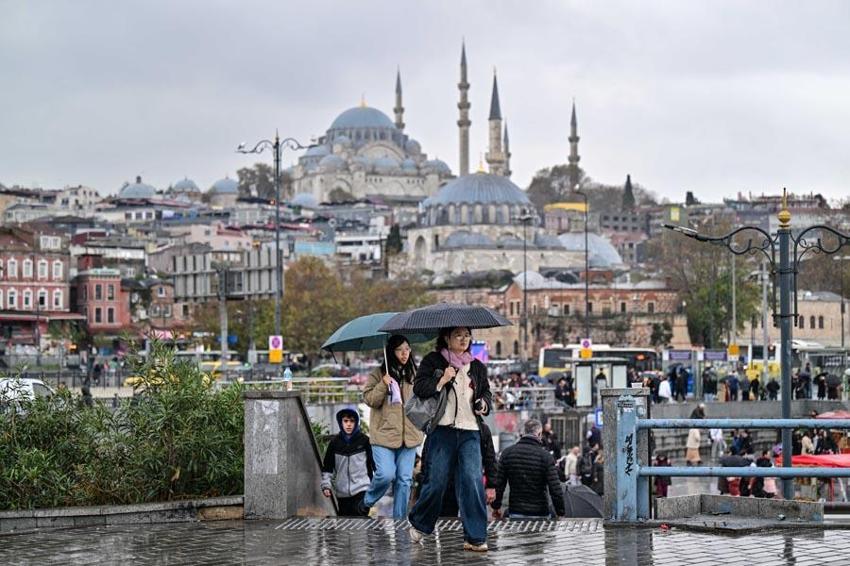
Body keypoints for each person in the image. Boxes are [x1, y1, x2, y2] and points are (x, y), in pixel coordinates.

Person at [408, 327, 492, 552]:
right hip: (442, 430)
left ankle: (475, 537)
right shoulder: (433, 361)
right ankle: (420, 522)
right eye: (458, 335)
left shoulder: (477, 366)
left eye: (467, 335)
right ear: (446, 338)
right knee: (436, 481)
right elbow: (419, 388)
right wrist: (442, 379)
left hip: (470, 430)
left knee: (472, 481)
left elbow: (486, 393)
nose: (464, 339)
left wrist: (484, 403)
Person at [360, 335, 424, 519]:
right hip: (384, 435)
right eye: (399, 350)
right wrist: (383, 384)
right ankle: (367, 502)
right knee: (386, 474)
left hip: (409, 436)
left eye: (407, 349)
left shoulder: (415, 374)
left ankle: (400, 521)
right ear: (391, 352)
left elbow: (423, 400)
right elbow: (370, 400)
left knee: (404, 480)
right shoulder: (379, 373)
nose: (404, 353)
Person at [491, 419, 566, 519]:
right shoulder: (546, 456)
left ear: (523, 433)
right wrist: (560, 512)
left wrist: (496, 507)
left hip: (515, 511)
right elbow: (555, 489)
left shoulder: (507, 453)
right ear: (539, 434)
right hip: (540, 513)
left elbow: (499, 485)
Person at [321, 408, 374, 516]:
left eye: (352, 421)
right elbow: (328, 467)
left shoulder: (365, 441)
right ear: (341, 422)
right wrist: (326, 485)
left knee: (360, 523)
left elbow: (374, 466)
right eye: (345, 421)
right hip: (342, 494)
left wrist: (373, 488)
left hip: (362, 491)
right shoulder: (334, 443)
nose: (349, 424)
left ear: (356, 422)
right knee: (344, 523)